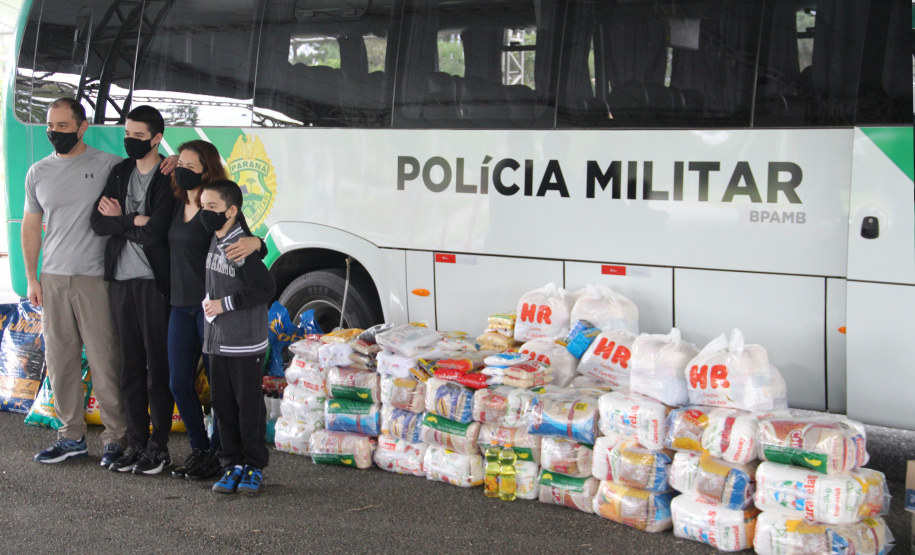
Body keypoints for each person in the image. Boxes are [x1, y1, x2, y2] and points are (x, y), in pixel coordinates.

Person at [24, 98, 128, 466]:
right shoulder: (37, 172)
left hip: (95, 278)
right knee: (60, 360)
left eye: (63, 126)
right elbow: (31, 226)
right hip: (53, 279)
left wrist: (173, 160)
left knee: (105, 359)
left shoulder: (109, 165)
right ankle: (71, 437)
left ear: (82, 127)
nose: (54, 132)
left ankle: (116, 438)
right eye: (50, 125)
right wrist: (32, 278)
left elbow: (148, 175)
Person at [167, 140, 265, 480]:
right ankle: (203, 449)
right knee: (180, 383)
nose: (182, 170)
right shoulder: (176, 202)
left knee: (225, 393)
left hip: (213, 314)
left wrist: (258, 242)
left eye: (190, 166)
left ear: (207, 170)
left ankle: (227, 455)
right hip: (181, 306)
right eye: (180, 164)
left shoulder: (218, 211)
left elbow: (250, 249)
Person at [89, 105, 176, 475]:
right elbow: (98, 223)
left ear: (156, 139)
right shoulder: (121, 171)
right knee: (130, 368)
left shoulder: (168, 176)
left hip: (154, 284)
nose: (130, 141)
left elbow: (156, 232)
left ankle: (159, 447)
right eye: (127, 134)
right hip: (121, 282)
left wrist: (121, 221)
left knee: (157, 368)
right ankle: (136, 444)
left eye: (138, 136)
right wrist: (133, 219)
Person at [200, 179, 275, 495]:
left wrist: (224, 304)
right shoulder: (216, 237)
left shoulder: (239, 246)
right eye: (203, 206)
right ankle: (231, 464)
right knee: (223, 405)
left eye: (212, 207)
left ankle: (253, 465)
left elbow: (265, 288)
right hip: (217, 341)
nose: (206, 212)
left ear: (231, 211)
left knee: (248, 408)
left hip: (244, 343)